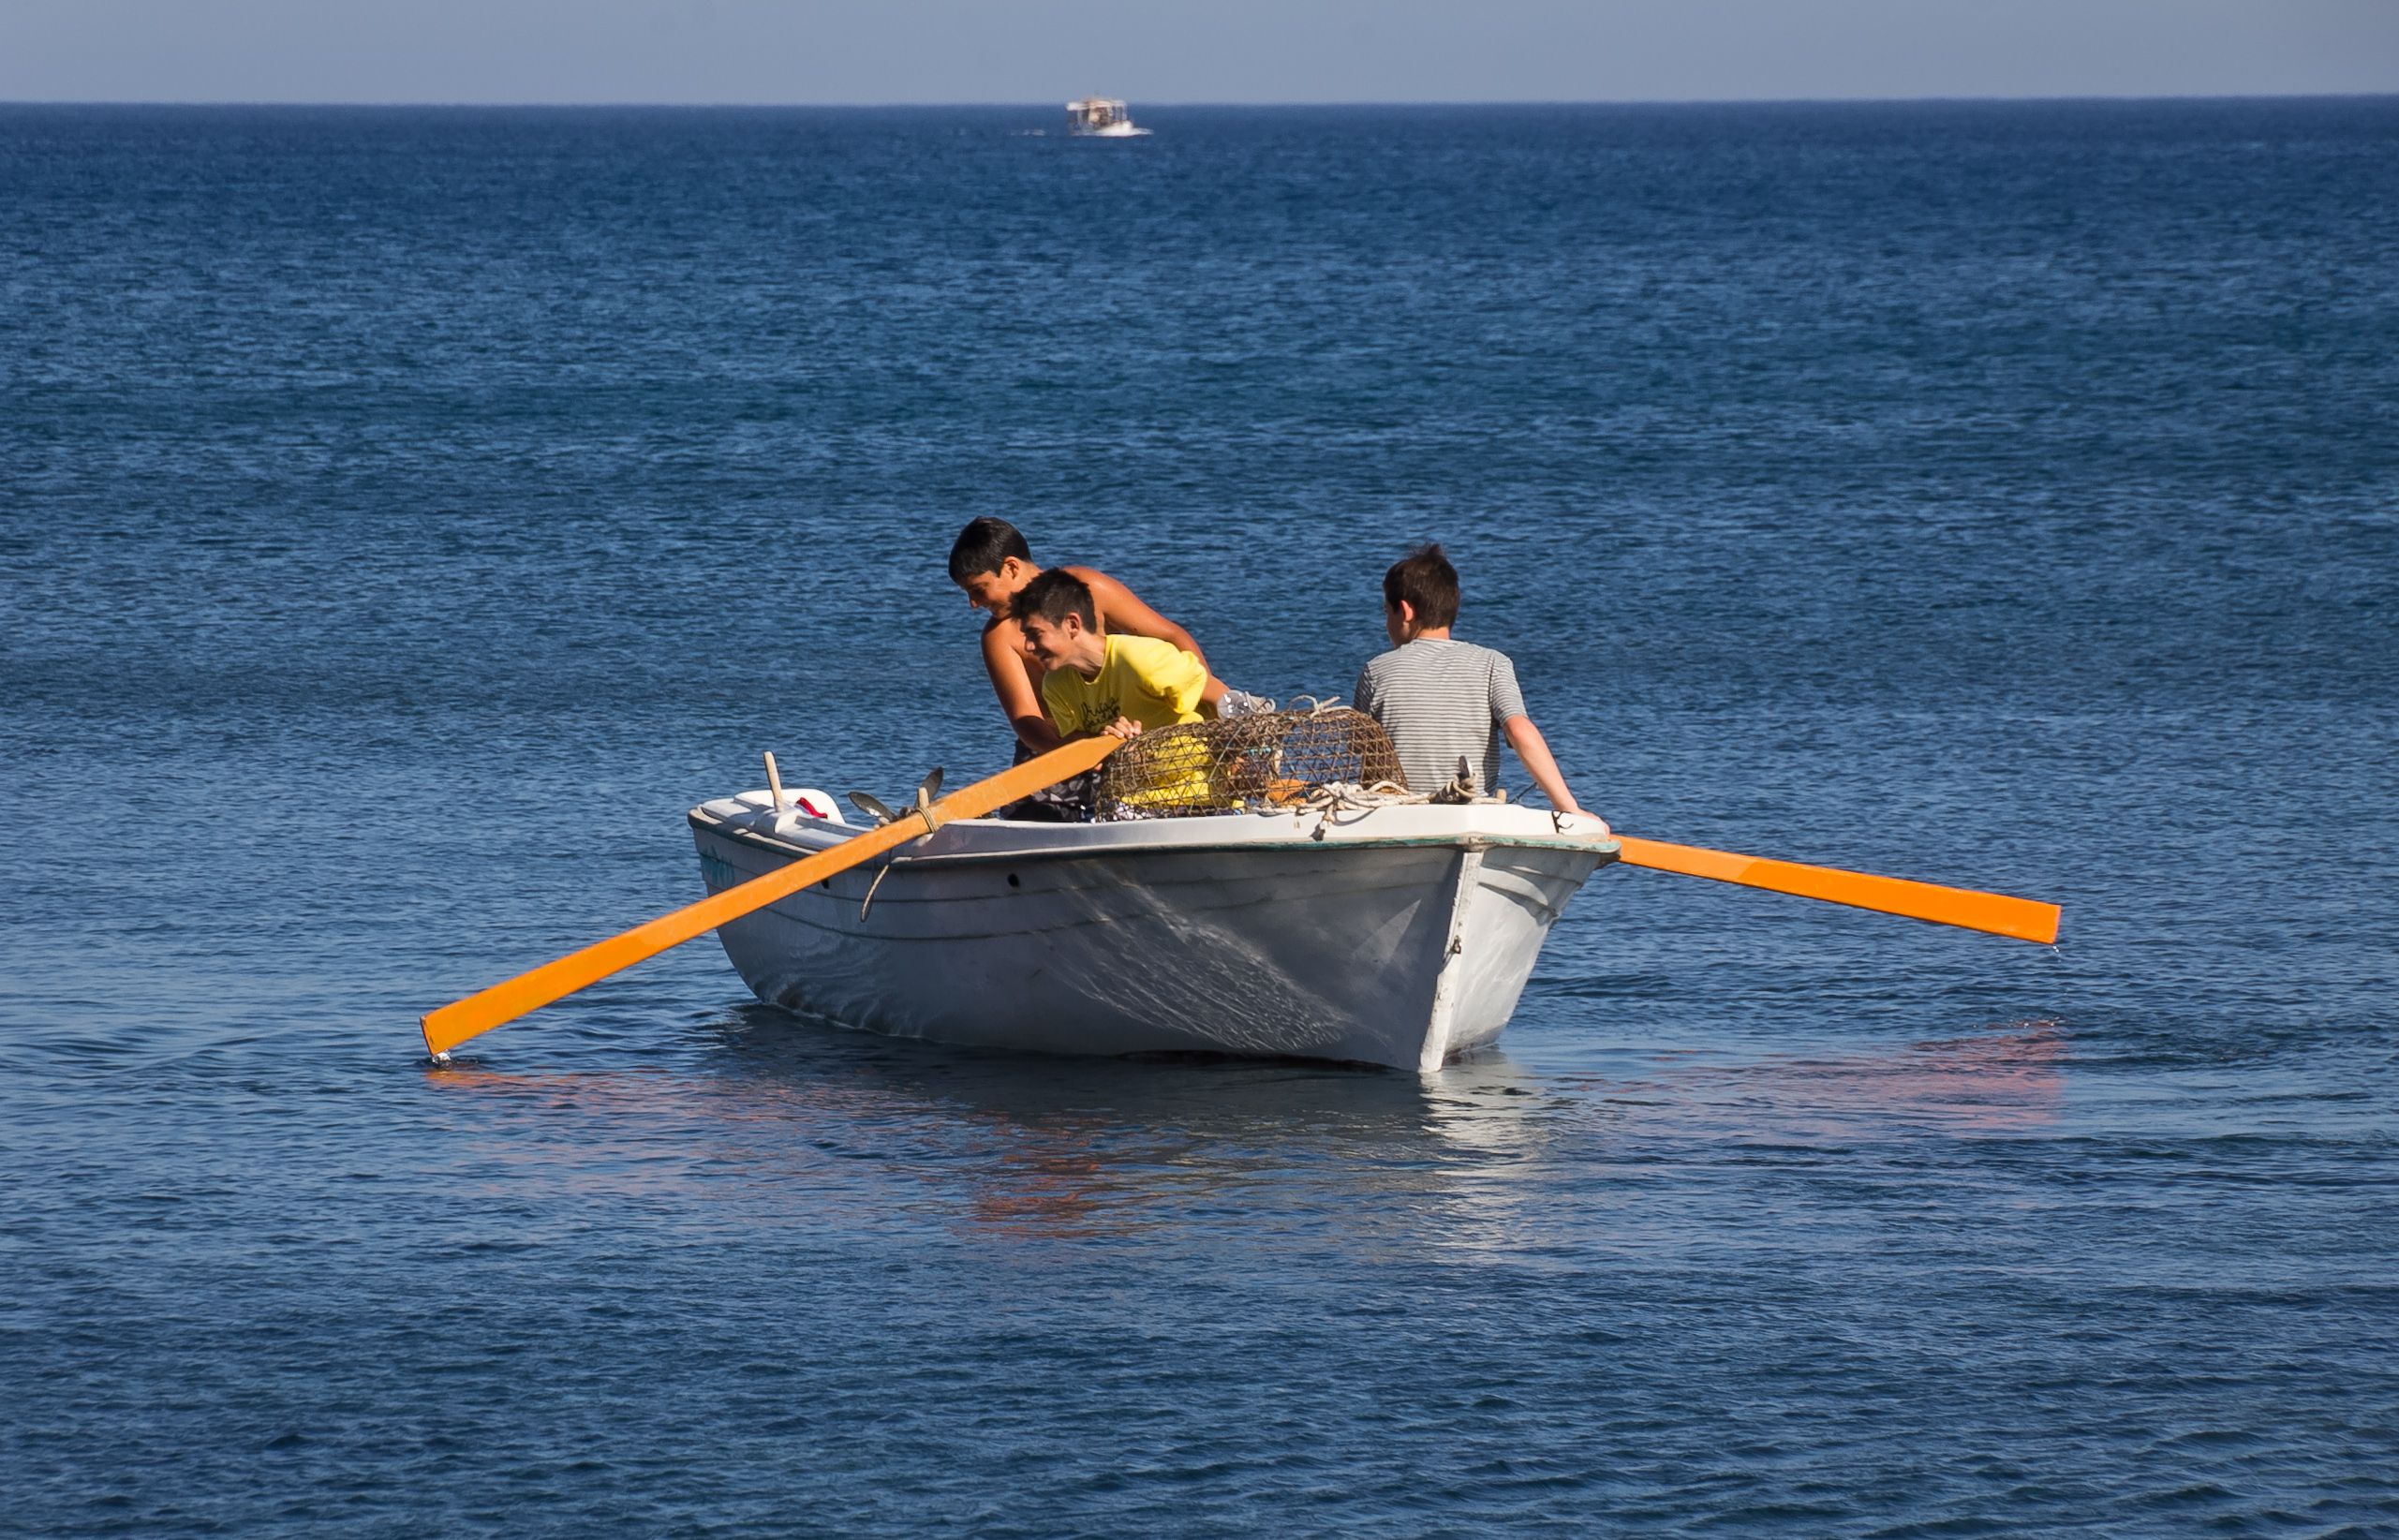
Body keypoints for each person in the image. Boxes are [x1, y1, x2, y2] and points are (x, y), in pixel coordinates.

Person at [1352, 542, 1587, 817]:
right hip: (1471, 813)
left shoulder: (1376, 670)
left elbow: (1363, 752)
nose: (1385, 624)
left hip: (1398, 815)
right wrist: (1570, 808)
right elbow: (1520, 730)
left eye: (1385, 612)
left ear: (1405, 611)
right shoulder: (1493, 663)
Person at [947, 517, 1210, 755]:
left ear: (1012, 568)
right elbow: (1024, 718)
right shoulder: (998, 637)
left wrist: (1213, 718)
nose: (973, 604)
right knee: (1030, 808)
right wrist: (1073, 752)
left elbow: (1172, 637)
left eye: (979, 590)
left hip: (1141, 727)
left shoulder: (1086, 586)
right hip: (1058, 745)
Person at [1014, 568, 1224, 814]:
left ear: (1072, 624)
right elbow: (1083, 751)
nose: (1028, 646)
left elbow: (1226, 699)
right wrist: (1111, 741)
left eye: (1035, 634)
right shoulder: (1055, 686)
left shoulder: (1140, 659)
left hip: (1197, 797)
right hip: (1129, 806)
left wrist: (1248, 756)